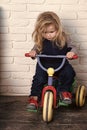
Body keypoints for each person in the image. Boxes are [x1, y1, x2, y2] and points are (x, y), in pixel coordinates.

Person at [27, 11, 77, 110]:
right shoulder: (40, 39)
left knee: (69, 73)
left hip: (61, 64)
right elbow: (35, 49)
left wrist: (71, 53)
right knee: (39, 79)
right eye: (45, 32)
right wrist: (33, 53)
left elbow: (73, 47)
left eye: (51, 32)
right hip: (44, 65)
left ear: (58, 29)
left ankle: (64, 92)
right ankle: (34, 98)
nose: (48, 35)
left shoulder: (64, 37)